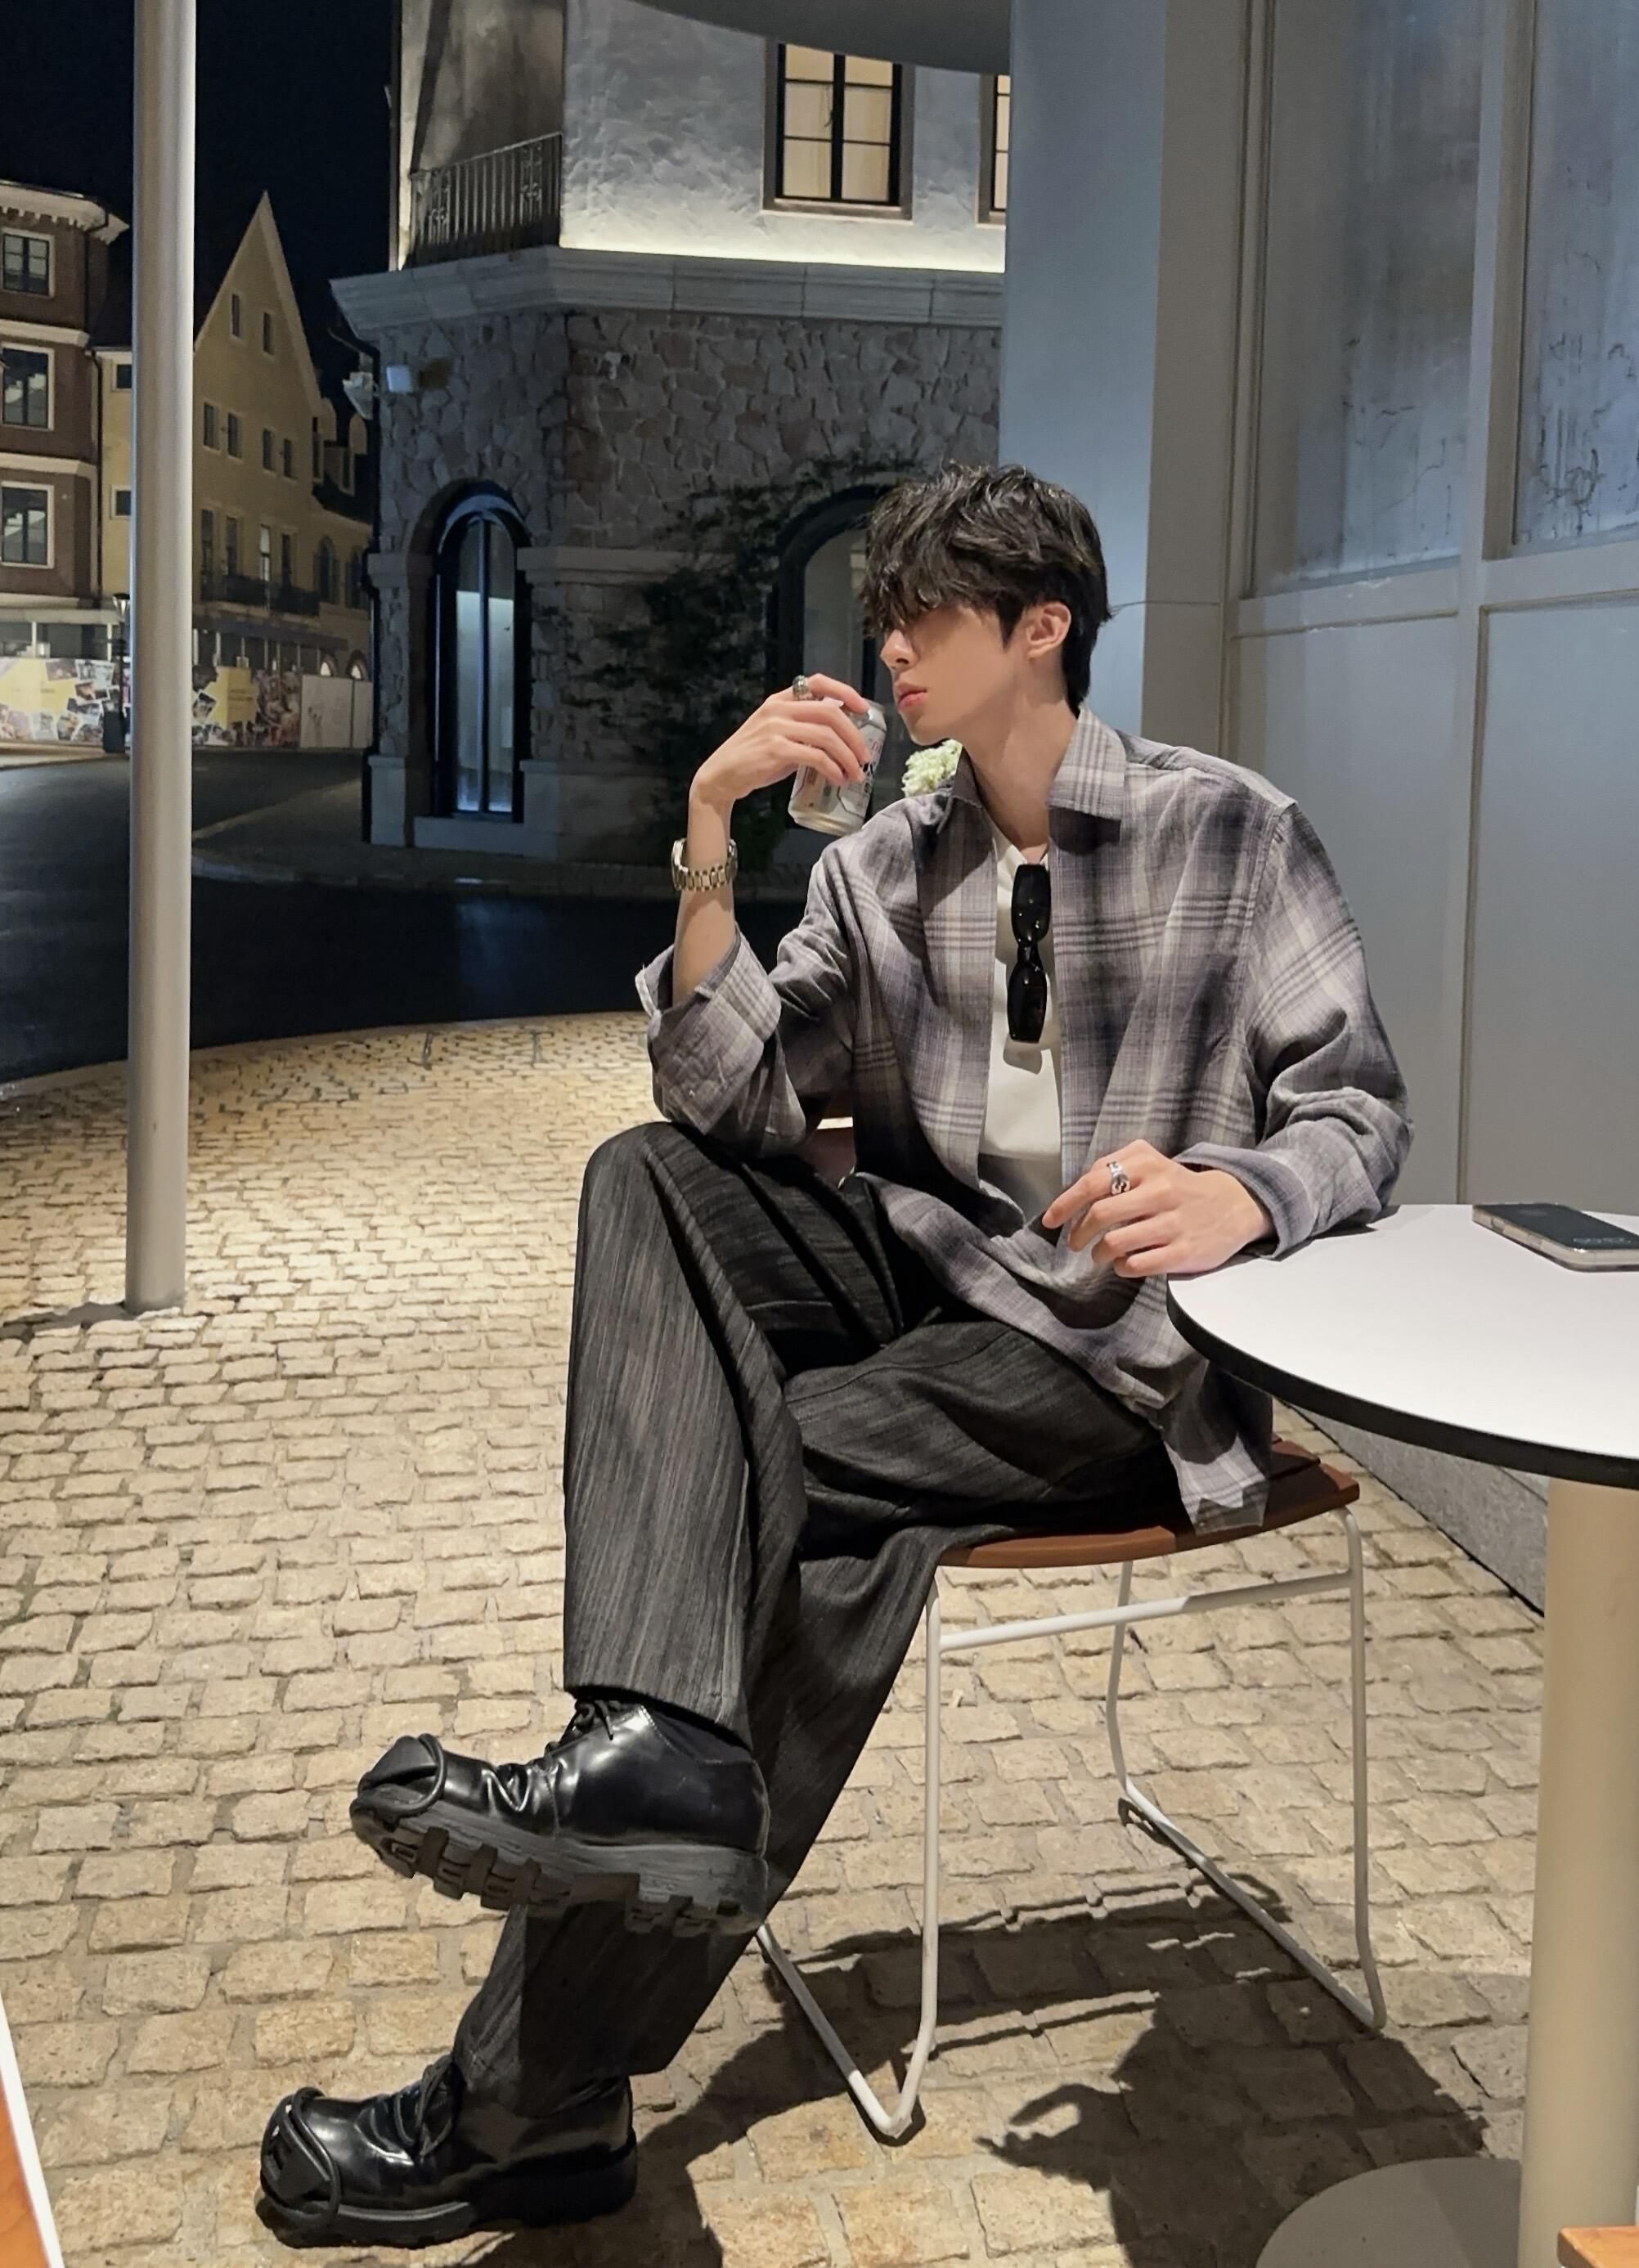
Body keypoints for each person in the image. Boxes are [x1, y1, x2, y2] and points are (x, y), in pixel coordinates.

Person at [254, 462, 1411, 2246]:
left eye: (923, 615)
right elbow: (723, 1097)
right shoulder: (883, 866)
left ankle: (535, 2079)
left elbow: (1358, 1109)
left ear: (1042, 627)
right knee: (642, 1176)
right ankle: (650, 1750)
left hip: (1110, 1358)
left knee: (769, 1500)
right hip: (925, 1285)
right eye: (884, 616)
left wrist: (1238, 1191)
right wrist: (710, 826)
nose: (889, 652)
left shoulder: (1231, 835)